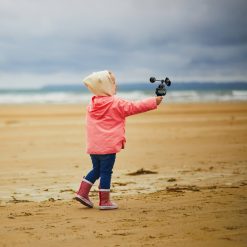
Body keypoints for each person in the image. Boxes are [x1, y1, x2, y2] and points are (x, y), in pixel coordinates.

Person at [75, 70, 163, 210]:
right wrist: (154, 101)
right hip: (108, 146)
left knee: (97, 169)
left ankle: (82, 192)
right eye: (113, 82)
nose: (115, 85)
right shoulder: (116, 103)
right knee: (106, 172)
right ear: (105, 86)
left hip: (94, 147)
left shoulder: (92, 105)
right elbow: (134, 107)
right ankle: (104, 201)